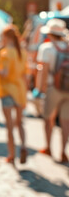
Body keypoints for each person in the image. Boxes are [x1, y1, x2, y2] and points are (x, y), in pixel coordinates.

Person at [35, 18, 69, 163]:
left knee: (48, 118)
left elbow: (44, 71)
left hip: (52, 87)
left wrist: (39, 89)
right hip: (68, 89)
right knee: (65, 121)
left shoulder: (47, 48)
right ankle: (63, 151)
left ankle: (48, 147)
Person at [0, 25, 27, 165]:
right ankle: (24, 146)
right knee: (19, 123)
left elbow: (5, 73)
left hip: (7, 90)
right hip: (20, 90)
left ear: (6, 37)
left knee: (9, 125)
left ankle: (11, 154)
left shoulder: (5, 53)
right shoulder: (22, 52)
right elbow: (25, 75)